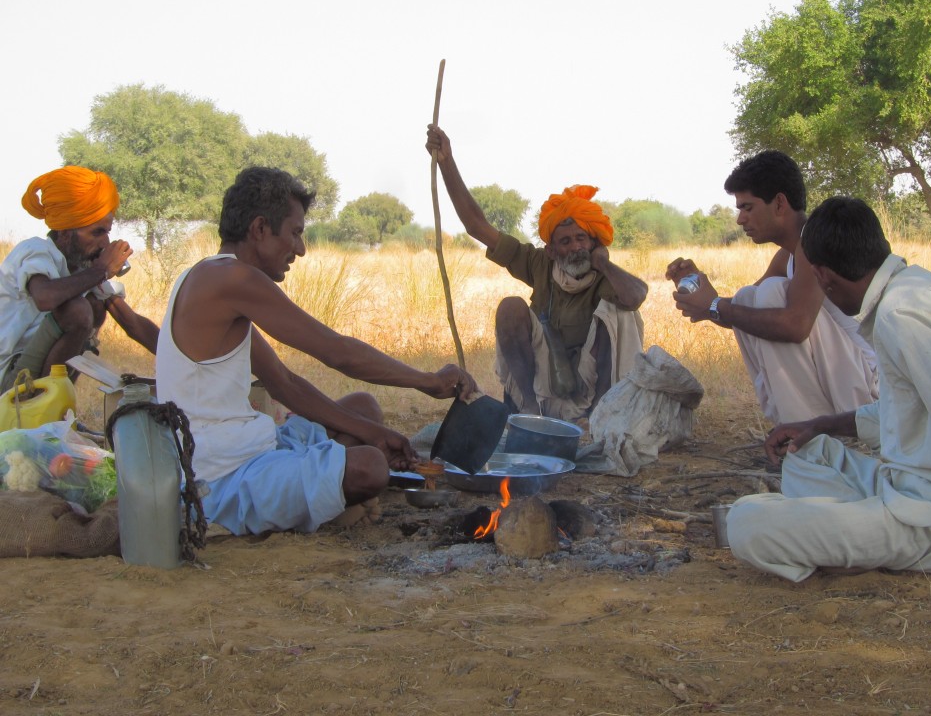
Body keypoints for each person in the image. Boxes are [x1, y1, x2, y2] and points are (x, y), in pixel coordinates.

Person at [155, 166, 478, 536]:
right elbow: (337, 353)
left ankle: (325, 488)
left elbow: (284, 384)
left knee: (363, 410)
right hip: (219, 479)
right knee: (370, 467)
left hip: (252, 449)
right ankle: (328, 494)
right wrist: (427, 381)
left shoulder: (213, 278)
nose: (301, 249)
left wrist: (371, 431)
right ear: (260, 229)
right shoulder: (232, 279)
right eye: (294, 234)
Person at [727, 196, 931, 582]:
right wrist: (820, 424)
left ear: (823, 277)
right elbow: (913, 411)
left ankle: (866, 545)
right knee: (805, 452)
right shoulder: (916, 289)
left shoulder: (901, 316)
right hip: (912, 491)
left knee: (746, 521)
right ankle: (857, 533)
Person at [425, 124, 647, 421]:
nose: (575, 248)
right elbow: (477, 227)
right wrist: (446, 162)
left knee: (619, 313)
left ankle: (601, 416)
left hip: (593, 385)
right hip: (548, 379)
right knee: (510, 307)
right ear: (552, 250)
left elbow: (635, 296)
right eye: (565, 242)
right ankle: (529, 410)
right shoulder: (540, 264)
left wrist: (604, 263)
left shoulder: (605, 274)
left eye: (582, 239)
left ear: (595, 241)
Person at [666, 151, 877, 424]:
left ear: (779, 203)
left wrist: (714, 305)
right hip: (849, 386)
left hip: (873, 396)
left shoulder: (815, 245)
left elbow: (795, 325)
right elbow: (740, 313)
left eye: (748, 208)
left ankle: (807, 433)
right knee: (747, 297)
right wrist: (699, 293)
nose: (740, 219)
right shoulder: (787, 257)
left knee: (769, 294)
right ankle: (799, 426)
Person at [0, 166, 158, 391]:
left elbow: (132, 324)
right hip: (8, 379)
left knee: (95, 305)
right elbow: (44, 297)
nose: (105, 243)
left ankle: (56, 407)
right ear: (65, 233)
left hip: (30, 375)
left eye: (107, 232)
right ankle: (40, 409)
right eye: (97, 232)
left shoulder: (82, 269)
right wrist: (101, 270)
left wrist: (185, 360)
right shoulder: (36, 250)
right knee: (78, 310)